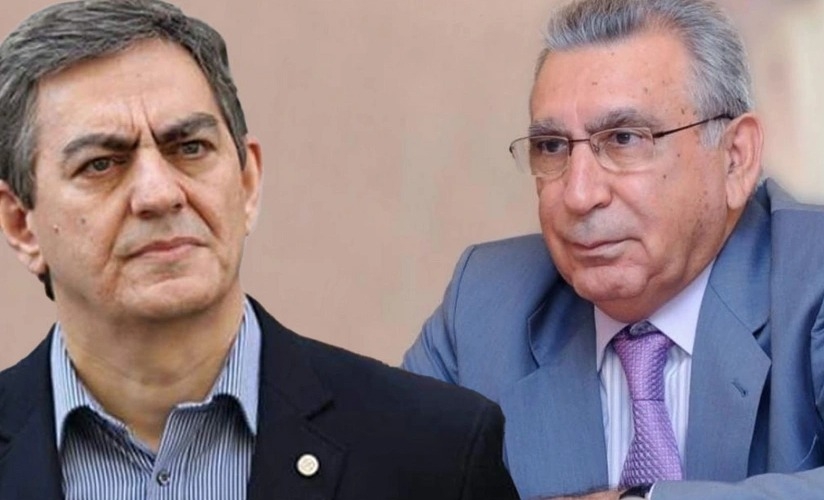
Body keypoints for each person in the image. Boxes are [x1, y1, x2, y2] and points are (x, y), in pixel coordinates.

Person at [0, 1, 519, 499]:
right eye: (100, 164)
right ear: (21, 223)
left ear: (248, 182)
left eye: (190, 148)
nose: (159, 194)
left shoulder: (436, 450)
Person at [403, 0, 824, 498]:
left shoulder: (811, 274)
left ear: (735, 158)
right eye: (552, 147)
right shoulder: (485, 302)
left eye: (624, 139)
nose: (579, 195)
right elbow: (382, 476)